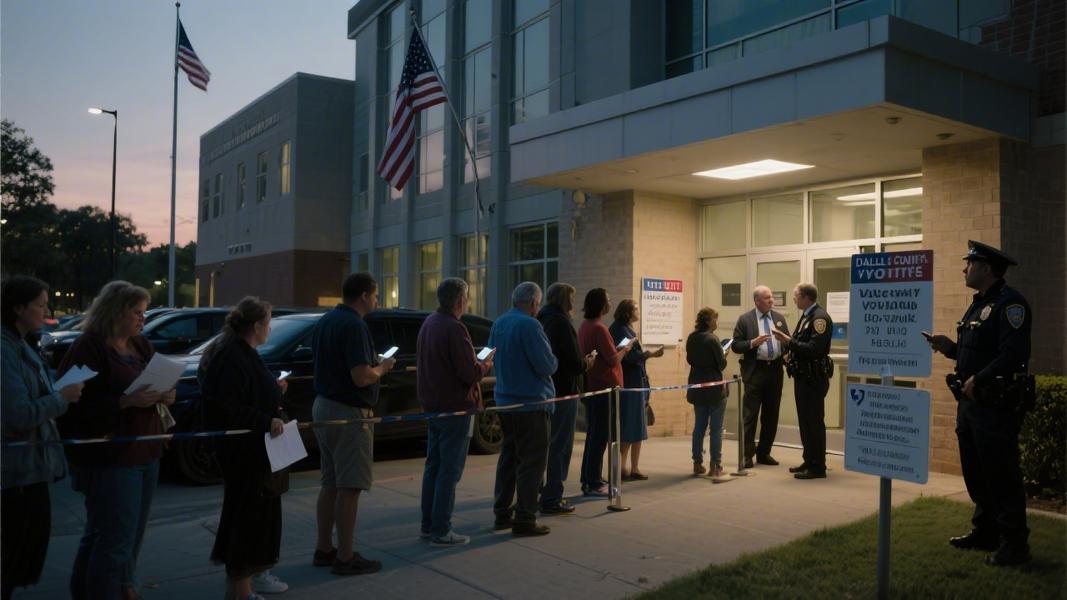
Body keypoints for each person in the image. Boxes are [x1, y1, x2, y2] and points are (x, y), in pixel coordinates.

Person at [57, 281, 176, 600]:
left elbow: (161, 381)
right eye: (137, 312)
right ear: (115, 311)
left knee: (126, 535)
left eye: (144, 312)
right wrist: (125, 402)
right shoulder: (89, 347)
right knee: (112, 539)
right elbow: (69, 405)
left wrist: (167, 394)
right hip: (111, 457)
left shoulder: (140, 344)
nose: (142, 318)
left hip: (147, 449)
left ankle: (123, 587)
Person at [926, 240, 1032, 567]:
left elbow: (1012, 354)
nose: (964, 269)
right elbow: (977, 352)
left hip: (994, 406)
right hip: (971, 405)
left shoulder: (1010, 304)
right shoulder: (979, 304)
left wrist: (980, 379)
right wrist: (950, 348)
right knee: (976, 473)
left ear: (986, 268)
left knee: (1001, 474)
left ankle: (1014, 545)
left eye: (969, 263)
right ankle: (985, 532)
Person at [199, 297, 290, 598]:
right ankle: (239, 590)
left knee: (256, 517)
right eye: (268, 323)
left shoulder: (244, 353)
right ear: (256, 325)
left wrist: (273, 390)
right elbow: (227, 406)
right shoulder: (232, 356)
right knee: (244, 519)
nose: (270, 328)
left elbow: (249, 393)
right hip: (244, 452)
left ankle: (247, 584)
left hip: (255, 450)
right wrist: (266, 420)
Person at [1, 276, 83, 600]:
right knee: (10, 559)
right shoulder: (5, 350)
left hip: (28, 471)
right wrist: (62, 398)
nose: (47, 312)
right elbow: (18, 415)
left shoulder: (20, 344)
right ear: (18, 308)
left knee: (20, 559)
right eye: (41, 304)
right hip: (14, 476)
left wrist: (60, 392)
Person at [311, 272, 396, 576]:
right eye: (375, 295)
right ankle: (345, 557)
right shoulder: (354, 325)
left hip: (323, 406)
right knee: (350, 486)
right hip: (348, 413)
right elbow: (361, 376)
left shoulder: (326, 320)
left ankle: (324, 548)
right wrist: (383, 367)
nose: (377, 300)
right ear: (363, 295)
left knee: (330, 483)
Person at [416, 278, 492, 546]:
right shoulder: (454, 328)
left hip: (433, 406)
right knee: (449, 470)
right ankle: (441, 528)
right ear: (460, 300)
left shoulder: (430, 322)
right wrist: (485, 364)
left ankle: (429, 525)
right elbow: (469, 372)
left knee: (434, 467)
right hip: (455, 408)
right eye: (467, 298)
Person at [489, 282, 558, 536]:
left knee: (508, 458)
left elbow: (489, 357)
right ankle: (525, 518)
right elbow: (546, 365)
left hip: (505, 401)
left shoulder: (499, 322)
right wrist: (554, 359)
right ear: (534, 303)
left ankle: (502, 513)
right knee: (532, 462)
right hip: (531, 403)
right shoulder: (530, 325)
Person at [536, 283, 594, 515]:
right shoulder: (561, 322)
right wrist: (587, 363)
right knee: (561, 445)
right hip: (564, 391)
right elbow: (572, 362)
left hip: (545, 391)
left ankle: (538, 491)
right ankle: (553, 497)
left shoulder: (541, 319)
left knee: (544, 445)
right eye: (572, 297)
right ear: (564, 299)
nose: (574, 302)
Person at [772, 283, 833, 480]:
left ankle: (818, 467)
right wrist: (790, 352)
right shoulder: (807, 315)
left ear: (806, 297)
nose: (794, 299)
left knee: (813, 422)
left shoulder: (819, 318)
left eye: (796, 296)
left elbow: (814, 349)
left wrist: (788, 341)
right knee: (805, 422)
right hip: (803, 377)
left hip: (813, 379)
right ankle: (809, 460)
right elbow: (802, 344)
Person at [577, 288, 633, 496]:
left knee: (594, 435)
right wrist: (625, 349)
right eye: (608, 299)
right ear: (601, 304)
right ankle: (593, 481)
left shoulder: (585, 326)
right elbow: (612, 360)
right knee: (600, 436)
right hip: (605, 387)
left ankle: (590, 477)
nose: (610, 302)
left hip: (594, 386)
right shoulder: (600, 328)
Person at [731, 285, 787, 468]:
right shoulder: (745, 320)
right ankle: (747, 455)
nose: (772, 300)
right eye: (767, 298)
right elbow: (735, 345)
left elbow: (787, 341)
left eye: (771, 297)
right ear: (757, 301)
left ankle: (764, 453)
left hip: (775, 371)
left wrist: (785, 351)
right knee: (750, 415)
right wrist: (752, 343)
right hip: (755, 372)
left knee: (771, 415)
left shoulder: (779, 319)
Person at [609, 299, 663, 481]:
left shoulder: (623, 328)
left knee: (637, 426)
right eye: (636, 309)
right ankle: (623, 468)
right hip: (630, 384)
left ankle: (632, 467)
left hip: (635, 382)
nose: (638, 312)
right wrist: (650, 354)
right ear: (627, 312)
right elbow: (628, 357)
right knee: (630, 427)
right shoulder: (621, 330)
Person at [686, 307, 728, 477]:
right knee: (716, 429)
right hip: (714, 388)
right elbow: (721, 364)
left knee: (699, 427)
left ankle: (697, 463)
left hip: (697, 386)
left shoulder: (692, 337)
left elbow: (689, 359)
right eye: (715, 319)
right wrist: (724, 354)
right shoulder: (712, 339)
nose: (716, 322)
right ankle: (715, 466)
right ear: (709, 321)